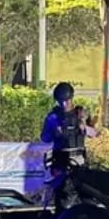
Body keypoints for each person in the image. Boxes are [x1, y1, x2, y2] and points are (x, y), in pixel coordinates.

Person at [40, 82, 96, 211]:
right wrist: (54, 133)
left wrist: (84, 127)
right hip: (61, 163)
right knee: (63, 197)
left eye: (67, 101)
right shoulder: (53, 117)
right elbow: (44, 138)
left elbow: (95, 133)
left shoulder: (81, 114)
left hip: (79, 163)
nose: (64, 104)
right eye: (61, 101)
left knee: (84, 197)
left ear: (71, 98)